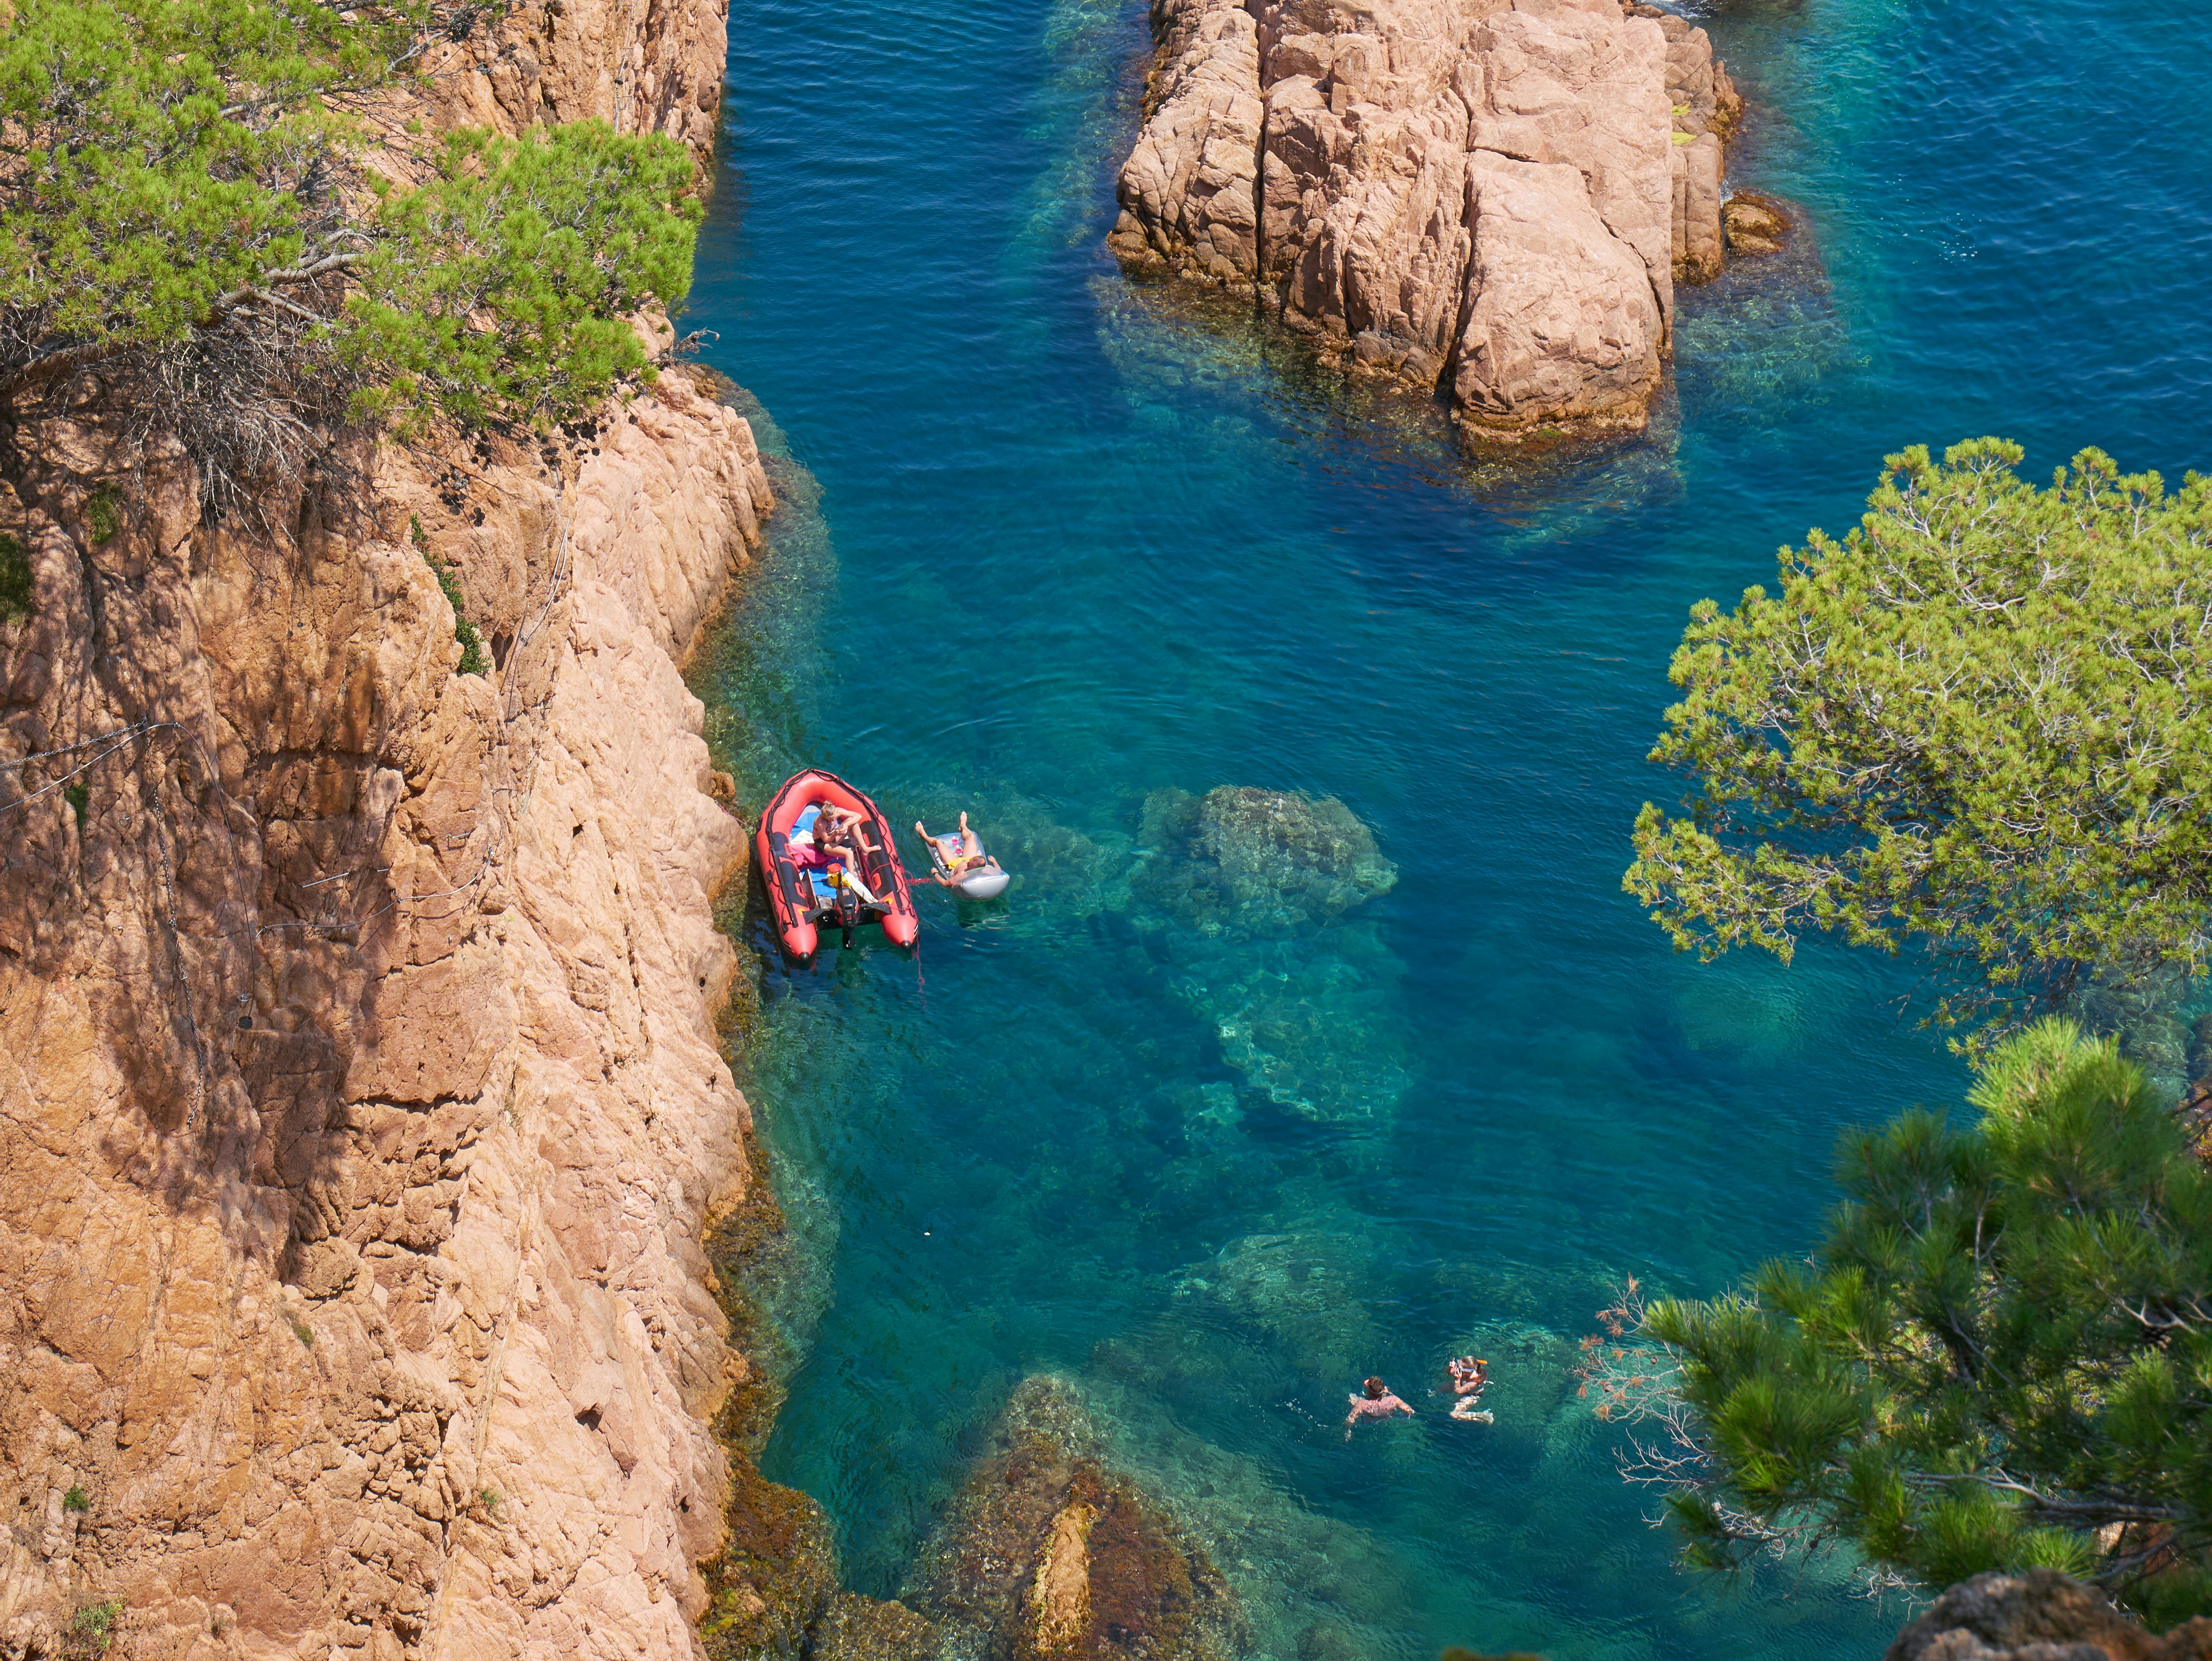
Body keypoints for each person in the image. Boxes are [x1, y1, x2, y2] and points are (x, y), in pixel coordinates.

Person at [914, 811, 1001, 887]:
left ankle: (924, 836)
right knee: (971, 836)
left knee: (938, 843)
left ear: (975, 869)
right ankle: (963, 826)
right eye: (969, 861)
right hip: (968, 858)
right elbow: (999, 872)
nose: (967, 862)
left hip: (954, 864)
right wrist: (994, 861)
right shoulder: (986, 868)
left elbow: (945, 883)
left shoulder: (962, 875)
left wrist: (935, 873)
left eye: (969, 864)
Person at [1345, 1377, 1414, 1439]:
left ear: (1369, 1392)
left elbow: (1350, 1419)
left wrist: (1348, 1431)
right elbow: (1410, 1411)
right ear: (1383, 1390)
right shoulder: (1394, 1400)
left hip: (1368, 1423)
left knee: (1352, 1399)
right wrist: (1406, 1418)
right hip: (1387, 1418)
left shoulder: (1362, 1404)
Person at [1448, 1357, 1493, 1424]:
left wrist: (1457, 1380)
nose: (1457, 1368)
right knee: (1442, 1387)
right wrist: (1450, 1369)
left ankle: (1484, 1416)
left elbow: (1459, 1391)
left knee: (1454, 1414)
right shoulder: (1467, 1371)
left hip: (1471, 1396)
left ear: (1468, 1372)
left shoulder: (1474, 1382)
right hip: (1463, 1386)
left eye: (1459, 1368)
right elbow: (1448, 1374)